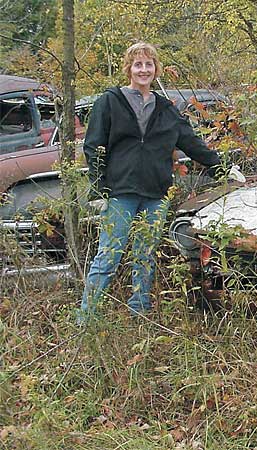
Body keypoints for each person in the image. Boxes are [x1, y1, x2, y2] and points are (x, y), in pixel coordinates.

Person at [78, 42, 221, 321]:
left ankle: (139, 312)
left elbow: (191, 143)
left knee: (145, 257)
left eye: (148, 64)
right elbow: (93, 146)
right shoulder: (109, 102)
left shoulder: (166, 108)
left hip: (156, 194)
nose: (143, 69)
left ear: (156, 69)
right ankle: (87, 319)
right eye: (138, 64)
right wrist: (98, 190)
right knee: (108, 257)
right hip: (120, 192)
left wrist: (222, 167)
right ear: (129, 69)